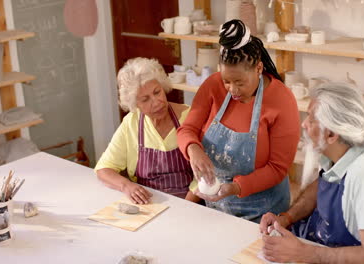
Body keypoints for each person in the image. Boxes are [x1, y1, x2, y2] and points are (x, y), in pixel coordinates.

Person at [259, 83, 364, 263]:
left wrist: (304, 253)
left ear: (332, 134)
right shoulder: (338, 151)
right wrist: (286, 218)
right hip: (317, 242)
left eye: (311, 119)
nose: (304, 123)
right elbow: (321, 186)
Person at [177, 19, 300, 223]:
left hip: (264, 213)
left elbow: (278, 168)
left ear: (259, 68)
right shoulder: (212, 86)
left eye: (240, 83)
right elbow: (186, 129)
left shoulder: (282, 101)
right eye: (227, 81)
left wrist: (235, 188)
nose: (232, 90)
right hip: (217, 205)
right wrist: (193, 149)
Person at [95, 57, 199, 204]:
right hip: (148, 203)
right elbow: (104, 169)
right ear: (134, 104)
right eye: (145, 99)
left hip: (189, 201)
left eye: (157, 92)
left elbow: (205, 174)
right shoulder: (131, 124)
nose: (156, 102)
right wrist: (127, 186)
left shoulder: (189, 116)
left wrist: (187, 206)